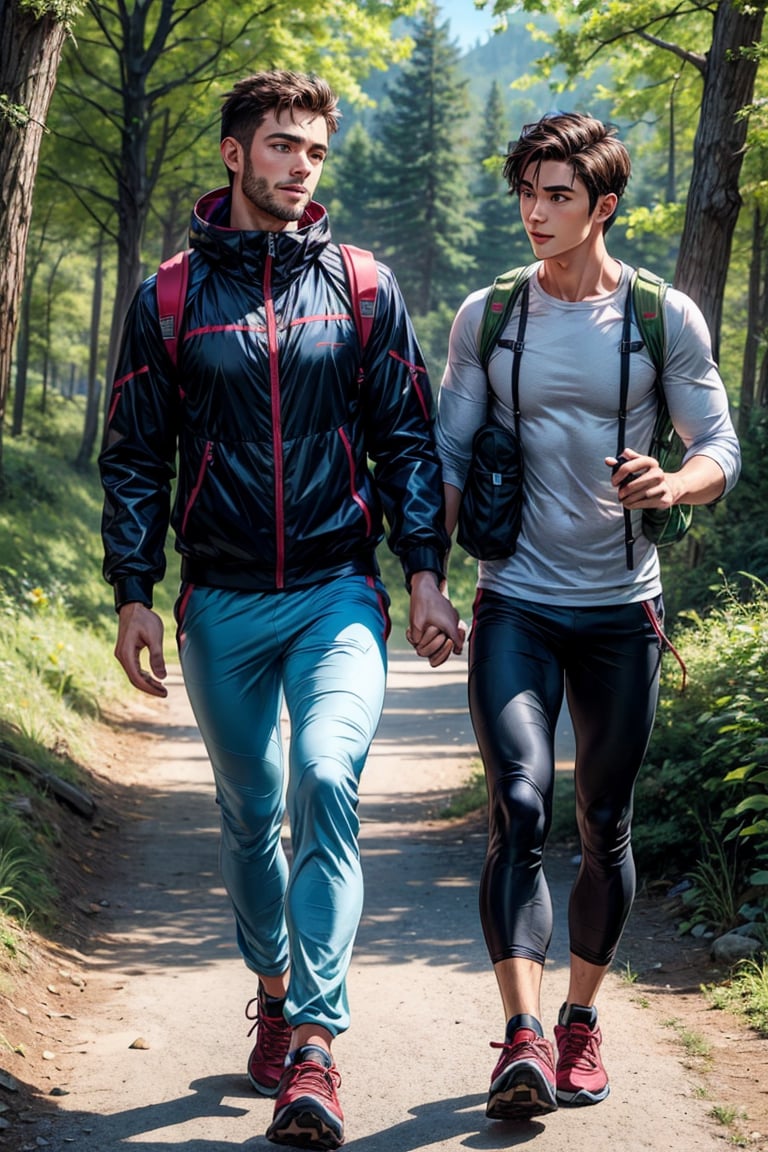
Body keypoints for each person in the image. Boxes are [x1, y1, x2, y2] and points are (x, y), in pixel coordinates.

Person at [99, 70, 463, 1150]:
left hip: (336, 593)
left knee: (324, 780)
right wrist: (134, 593)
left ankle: (314, 1045)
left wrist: (425, 572)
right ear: (233, 154)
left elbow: (406, 439)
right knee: (252, 810)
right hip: (218, 600)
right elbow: (134, 454)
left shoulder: (361, 284)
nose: (299, 166)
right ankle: (271, 986)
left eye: (313, 150)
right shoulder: (168, 295)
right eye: (280, 146)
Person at [434, 112, 740, 1121]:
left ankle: (578, 1025)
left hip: (621, 613)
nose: (536, 210)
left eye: (558, 195)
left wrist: (674, 481)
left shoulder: (664, 317)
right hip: (515, 598)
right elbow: (442, 455)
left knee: (602, 823)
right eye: (528, 190)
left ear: (603, 206)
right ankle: (520, 1038)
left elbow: (720, 449)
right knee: (519, 807)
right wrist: (424, 579)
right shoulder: (489, 315)